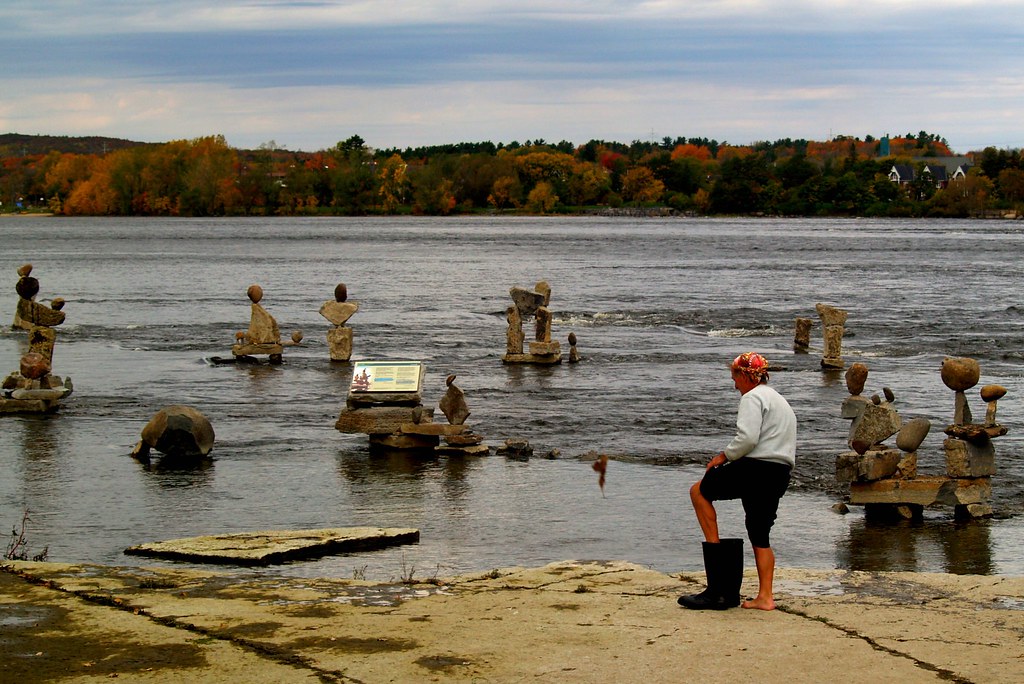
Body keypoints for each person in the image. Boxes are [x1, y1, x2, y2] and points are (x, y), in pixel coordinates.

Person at [678, 352, 796, 611]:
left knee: (699, 491)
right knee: (759, 533)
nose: (734, 385)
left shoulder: (752, 397)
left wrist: (723, 456)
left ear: (745, 375)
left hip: (756, 468)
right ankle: (765, 597)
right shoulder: (780, 400)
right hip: (780, 472)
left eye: (735, 377)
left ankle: (719, 588)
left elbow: (748, 439)